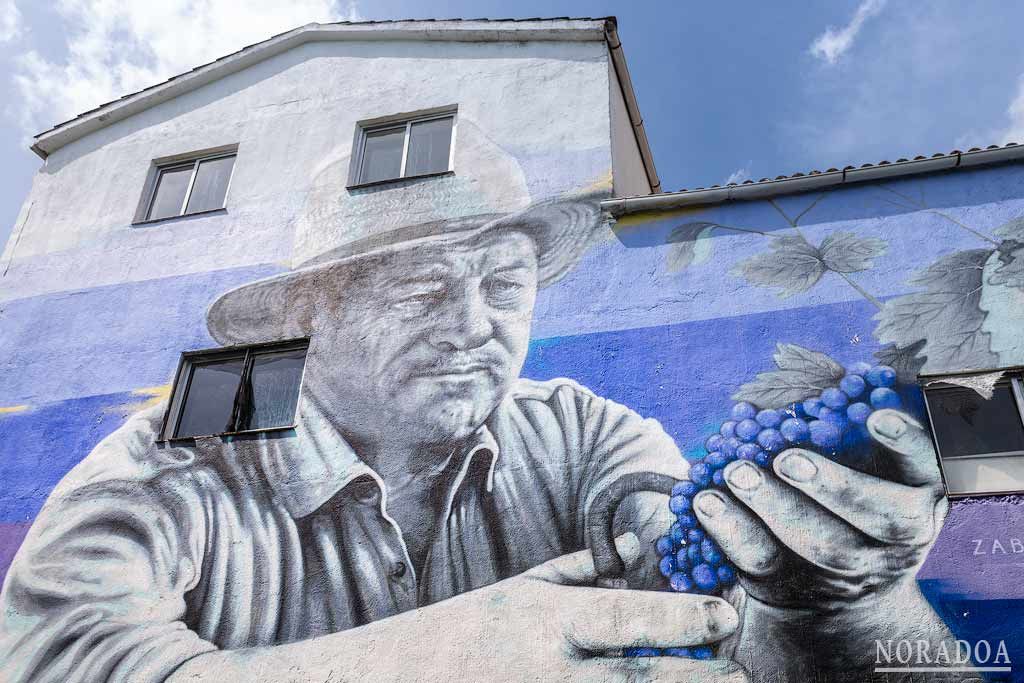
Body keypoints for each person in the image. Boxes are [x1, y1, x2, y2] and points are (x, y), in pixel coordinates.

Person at [0, 195, 951, 682]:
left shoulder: (576, 425)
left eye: (504, 285)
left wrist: (834, 602)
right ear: (302, 321)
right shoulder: (174, 464)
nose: (472, 325)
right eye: (417, 290)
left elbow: (675, 558)